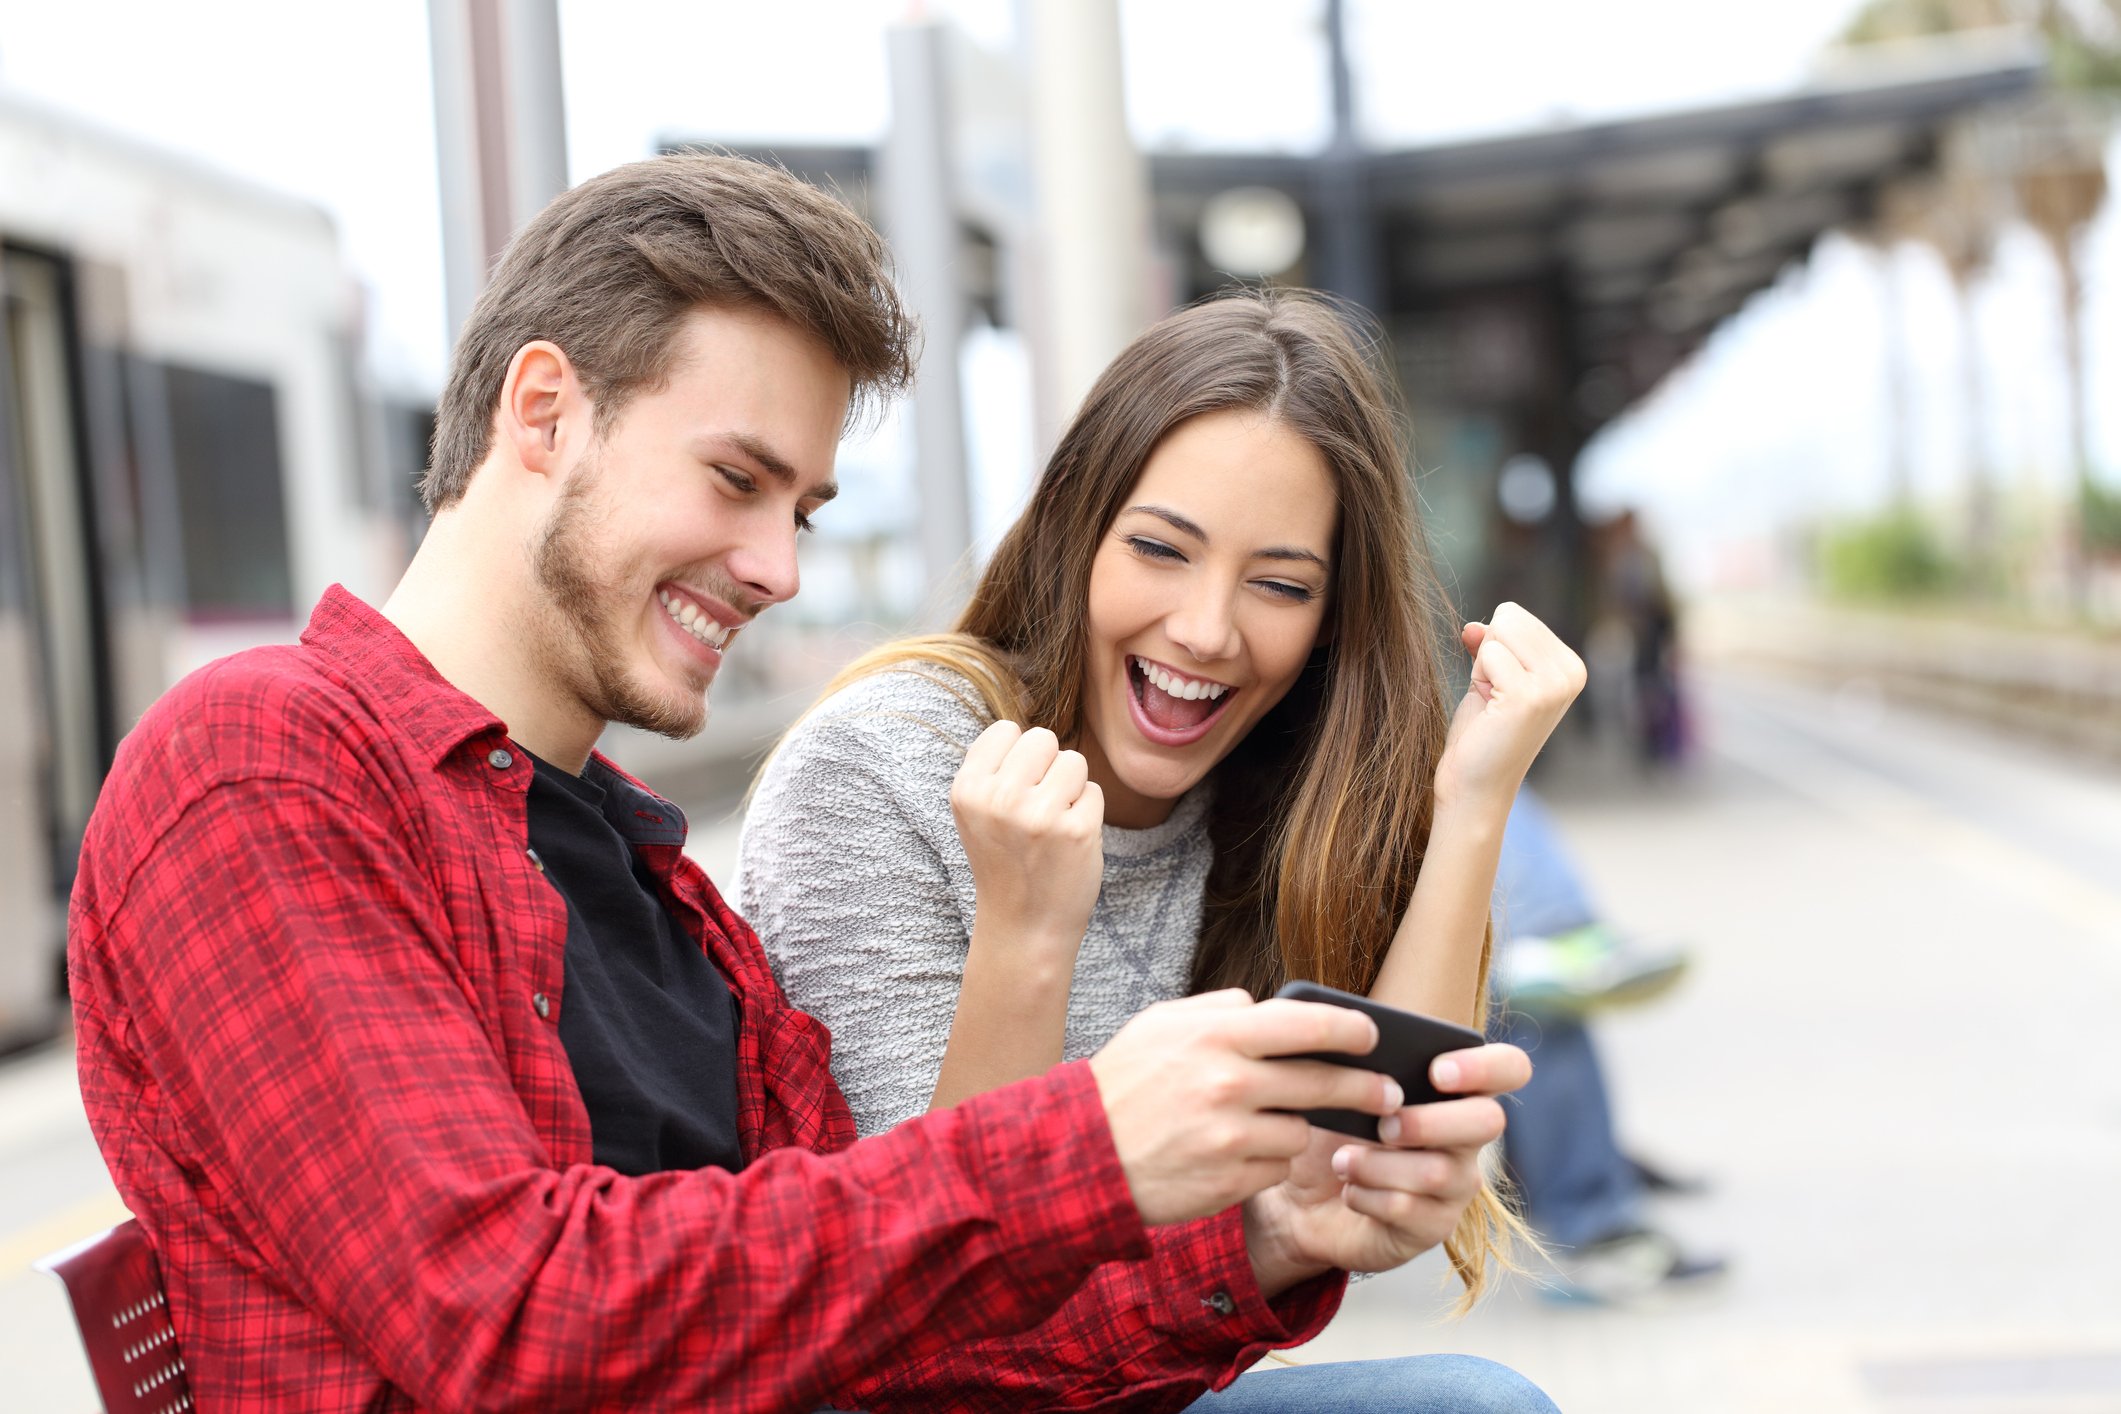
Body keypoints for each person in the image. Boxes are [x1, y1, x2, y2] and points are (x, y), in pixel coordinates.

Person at [67, 155, 1553, 1413]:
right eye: (735, 480)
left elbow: (913, 1339)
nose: (779, 568)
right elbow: (505, 1316)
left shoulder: (655, 888)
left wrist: (1270, 1239)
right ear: (542, 416)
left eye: (804, 508)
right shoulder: (264, 766)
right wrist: (1082, 1143)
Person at [739, 291, 1586, 1317]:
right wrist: (1027, 928)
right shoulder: (882, 765)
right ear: (1075, 530)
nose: (1206, 629)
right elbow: (941, 1301)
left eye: (1279, 585)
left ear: (1330, 621)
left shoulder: (1280, 787)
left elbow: (1376, 1168)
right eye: (1160, 549)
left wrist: (1473, 802)